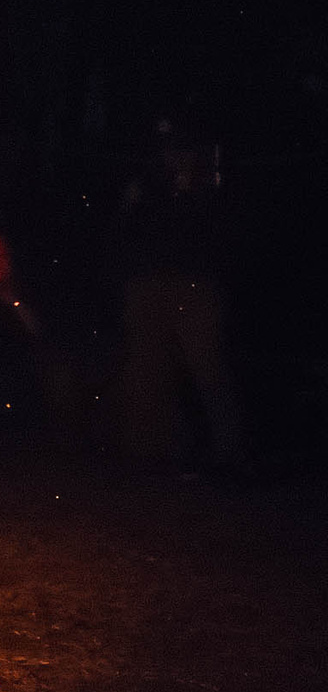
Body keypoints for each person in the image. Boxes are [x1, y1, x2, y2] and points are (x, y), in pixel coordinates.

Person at [116, 117, 246, 469]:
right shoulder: (147, 186)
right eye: (168, 149)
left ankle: (227, 451)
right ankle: (154, 450)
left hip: (194, 286)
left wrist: (191, 194)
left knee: (206, 368)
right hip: (149, 284)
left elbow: (219, 238)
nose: (172, 156)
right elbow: (129, 232)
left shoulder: (210, 186)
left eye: (179, 149)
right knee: (149, 368)